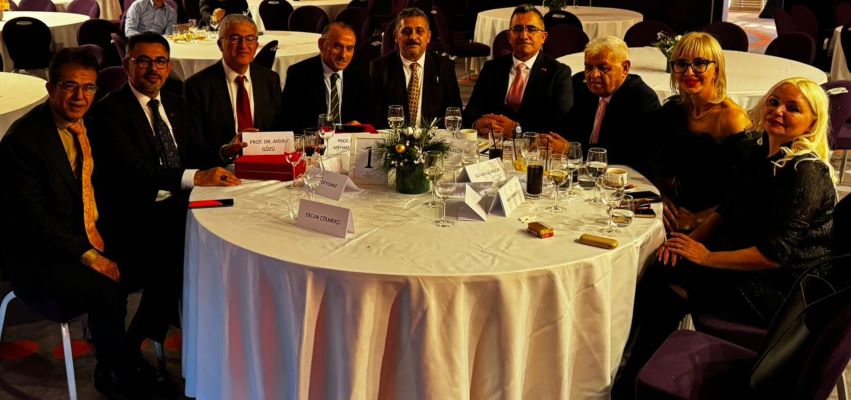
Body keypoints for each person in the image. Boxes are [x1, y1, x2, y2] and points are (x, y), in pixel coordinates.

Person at [613, 77, 837, 399]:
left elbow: (775, 254)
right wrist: (688, 242)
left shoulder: (806, 172)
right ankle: (631, 370)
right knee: (663, 263)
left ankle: (631, 384)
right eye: (774, 102)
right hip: (752, 261)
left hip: (782, 290)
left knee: (667, 287)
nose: (778, 111)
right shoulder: (763, 151)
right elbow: (729, 209)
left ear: (812, 122)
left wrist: (705, 257)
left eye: (793, 108)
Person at [89, 32, 241, 397]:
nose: (152, 69)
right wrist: (195, 177)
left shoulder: (173, 102)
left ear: (169, 66)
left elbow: (192, 149)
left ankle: (208, 340)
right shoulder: (109, 112)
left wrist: (223, 152)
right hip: (134, 213)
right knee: (180, 258)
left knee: (231, 221)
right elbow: (134, 170)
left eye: (159, 62)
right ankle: (128, 350)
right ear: (127, 65)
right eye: (142, 61)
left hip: (174, 206)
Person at [0, 48, 157, 400]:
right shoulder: (23, 142)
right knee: (107, 289)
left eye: (88, 87)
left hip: (88, 231)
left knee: (162, 258)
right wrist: (89, 255)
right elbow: (33, 221)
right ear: (50, 87)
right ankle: (113, 371)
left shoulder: (93, 122)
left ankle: (127, 349)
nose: (79, 96)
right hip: (42, 252)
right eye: (69, 86)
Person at [652, 32, 754, 232]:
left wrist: (695, 220)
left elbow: (747, 190)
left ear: (717, 69)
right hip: (674, 210)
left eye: (699, 63)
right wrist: (660, 196)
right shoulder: (676, 109)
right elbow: (654, 159)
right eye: (681, 64)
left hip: (717, 222)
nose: (689, 72)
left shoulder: (732, 119)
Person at [463, 4, 572, 138]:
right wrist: (477, 123)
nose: (524, 35)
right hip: (489, 142)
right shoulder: (492, 68)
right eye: (518, 29)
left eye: (531, 29)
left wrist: (518, 130)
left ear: (543, 37)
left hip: (533, 146)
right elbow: (471, 111)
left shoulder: (558, 73)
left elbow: (561, 123)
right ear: (509, 36)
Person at [563, 36, 660, 174]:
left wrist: (571, 149)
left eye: (603, 68)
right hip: (580, 172)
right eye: (588, 67)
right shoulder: (579, 85)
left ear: (625, 68)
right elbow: (566, 128)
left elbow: (626, 154)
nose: (593, 75)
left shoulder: (642, 99)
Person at [184, 13, 282, 149]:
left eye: (250, 39)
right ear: (220, 45)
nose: (243, 45)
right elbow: (194, 145)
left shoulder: (270, 79)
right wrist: (224, 151)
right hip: (220, 161)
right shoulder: (197, 86)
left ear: (256, 45)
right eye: (235, 38)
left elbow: (280, 129)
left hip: (265, 157)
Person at [369, 7, 462, 128]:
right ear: (396, 36)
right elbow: (373, 116)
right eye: (406, 31)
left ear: (428, 36)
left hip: (434, 137)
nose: (413, 37)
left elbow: (454, 111)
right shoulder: (379, 68)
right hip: (392, 137)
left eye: (419, 31)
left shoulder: (444, 66)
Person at [281, 22, 371, 134]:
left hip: (349, 139)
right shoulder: (299, 74)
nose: (343, 55)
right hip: (315, 140)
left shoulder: (360, 74)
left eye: (349, 49)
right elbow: (289, 121)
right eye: (337, 46)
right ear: (321, 44)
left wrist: (358, 125)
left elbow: (371, 116)